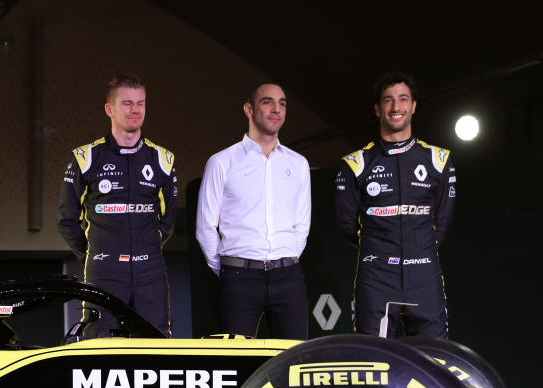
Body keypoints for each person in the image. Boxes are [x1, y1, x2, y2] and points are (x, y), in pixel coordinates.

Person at [335, 71, 456, 338]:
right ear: (378, 109)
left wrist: (416, 248)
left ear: (413, 106)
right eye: (388, 100)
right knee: (373, 364)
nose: (396, 107)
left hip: (424, 274)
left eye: (403, 99)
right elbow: (346, 226)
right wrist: (379, 250)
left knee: (434, 364)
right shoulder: (356, 164)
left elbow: (442, 224)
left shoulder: (438, 160)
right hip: (376, 276)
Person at [57, 72, 178, 336]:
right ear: (109, 109)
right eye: (127, 103)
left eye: (140, 103)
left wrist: (150, 245)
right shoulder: (85, 157)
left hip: (151, 271)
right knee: (100, 347)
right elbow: (66, 220)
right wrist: (95, 253)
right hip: (105, 272)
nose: (135, 110)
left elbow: (168, 219)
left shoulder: (163, 159)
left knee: (157, 347)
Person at [195, 83, 311, 340]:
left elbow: (301, 226)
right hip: (239, 278)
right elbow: (205, 227)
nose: (276, 109)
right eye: (267, 102)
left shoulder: (298, 164)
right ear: (249, 109)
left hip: (288, 277)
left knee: (292, 362)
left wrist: (284, 260)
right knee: (236, 363)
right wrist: (230, 268)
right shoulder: (222, 162)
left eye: (282, 103)